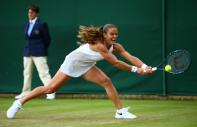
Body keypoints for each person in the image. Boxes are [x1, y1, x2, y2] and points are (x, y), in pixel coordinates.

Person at [7, 24, 153, 119]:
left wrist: (145, 66)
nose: (114, 37)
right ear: (104, 34)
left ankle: (120, 111)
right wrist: (137, 70)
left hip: (86, 65)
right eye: (112, 34)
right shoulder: (99, 45)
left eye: (116, 34)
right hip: (73, 62)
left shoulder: (115, 46)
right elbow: (115, 62)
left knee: (106, 81)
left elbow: (130, 56)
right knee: (50, 89)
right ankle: (19, 102)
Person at [15, 5, 55, 100]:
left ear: (36, 13)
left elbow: (47, 39)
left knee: (44, 73)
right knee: (27, 73)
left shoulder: (42, 24)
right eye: (29, 12)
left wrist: (41, 48)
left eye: (32, 12)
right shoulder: (26, 24)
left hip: (39, 52)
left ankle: (50, 93)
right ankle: (25, 92)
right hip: (27, 52)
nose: (30, 14)